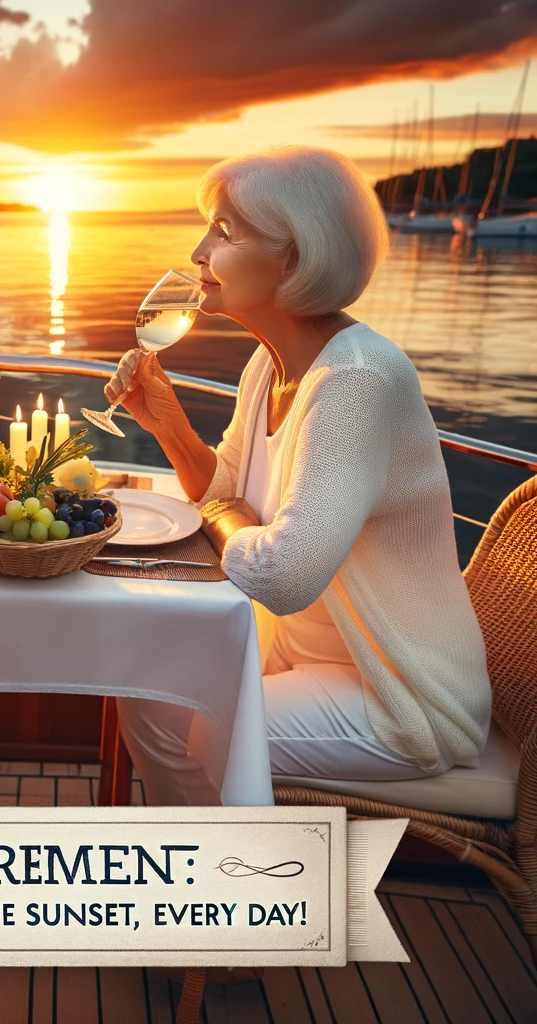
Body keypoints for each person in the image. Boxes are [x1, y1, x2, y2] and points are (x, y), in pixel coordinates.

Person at [106, 146, 491, 806]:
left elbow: (280, 575)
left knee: (209, 732)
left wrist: (227, 518)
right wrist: (167, 423)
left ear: (294, 257)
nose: (199, 252)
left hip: (397, 691)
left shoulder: (354, 381)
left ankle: (236, 886)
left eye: (223, 232)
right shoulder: (271, 365)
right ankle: (203, 867)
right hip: (302, 655)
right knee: (149, 702)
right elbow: (226, 491)